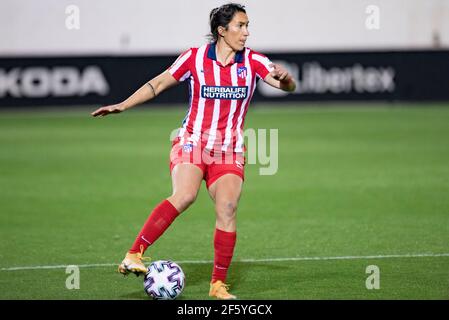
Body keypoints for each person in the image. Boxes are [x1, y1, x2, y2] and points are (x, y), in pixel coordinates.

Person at [91, 3, 296, 300]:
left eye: (248, 25)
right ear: (221, 31)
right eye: (240, 26)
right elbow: (158, 83)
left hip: (229, 150)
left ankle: (217, 286)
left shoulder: (253, 61)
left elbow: (284, 85)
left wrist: (287, 80)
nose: (246, 32)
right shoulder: (195, 58)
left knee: (227, 209)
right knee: (185, 195)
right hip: (192, 141)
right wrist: (123, 104)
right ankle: (134, 254)